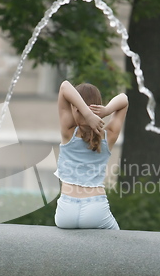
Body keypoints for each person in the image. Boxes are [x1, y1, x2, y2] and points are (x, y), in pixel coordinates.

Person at [54, 80, 128, 229]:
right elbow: (124, 99)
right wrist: (106, 111)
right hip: (96, 208)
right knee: (120, 245)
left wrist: (86, 114)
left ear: (75, 108)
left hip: (66, 209)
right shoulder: (109, 136)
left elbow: (64, 86)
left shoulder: (68, 131)